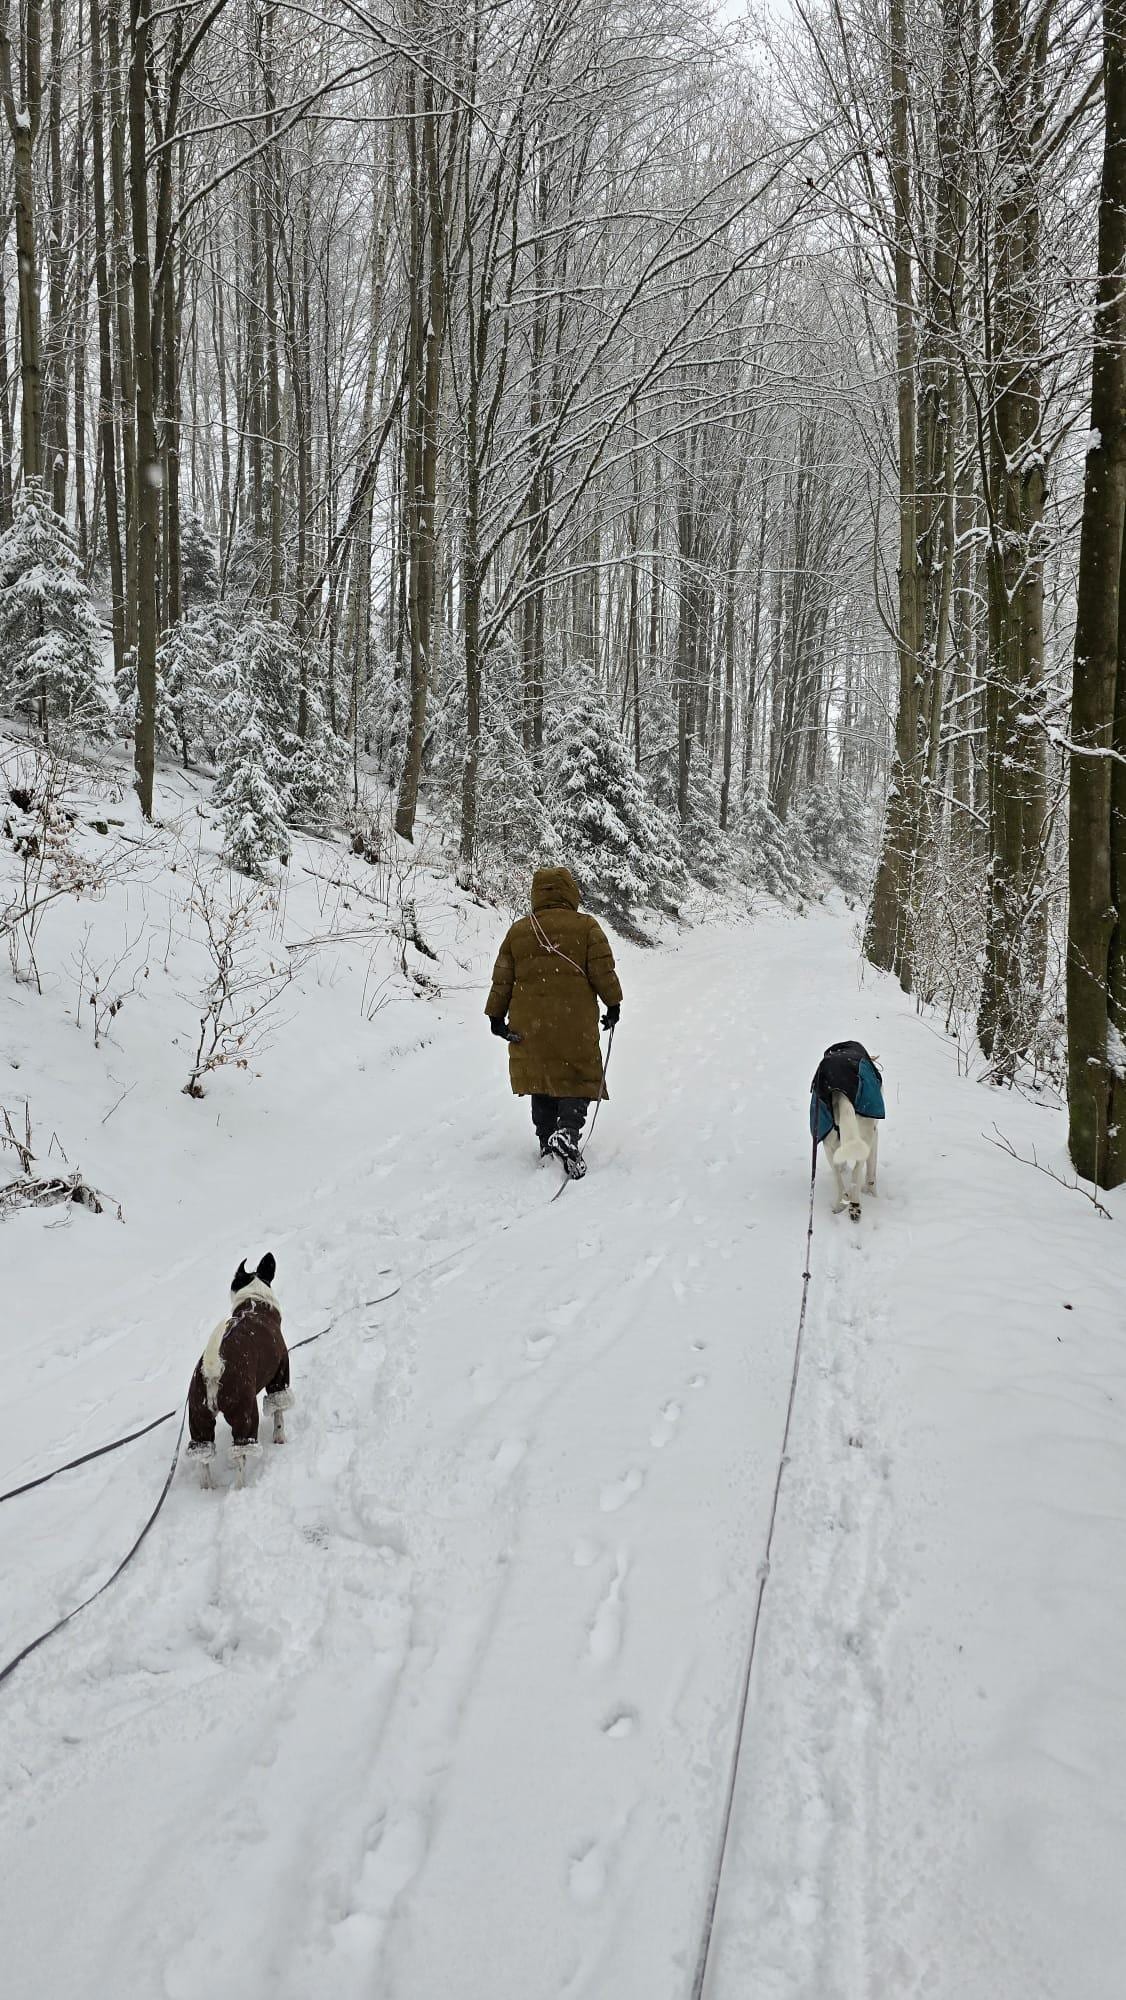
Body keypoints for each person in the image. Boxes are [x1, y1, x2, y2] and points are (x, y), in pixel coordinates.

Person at [486, 865, 622, 1179]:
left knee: (541, 1078)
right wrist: (613, 1005)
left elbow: (502, 978)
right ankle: (568, 1133)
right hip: (573, 1022)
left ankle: (547, 1142)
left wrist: (496, 1016)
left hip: (528, 1023)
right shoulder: (586, 927)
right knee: (576, 1074)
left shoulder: (519, 930)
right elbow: (603, 971)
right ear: (570, 892)